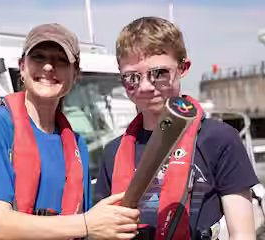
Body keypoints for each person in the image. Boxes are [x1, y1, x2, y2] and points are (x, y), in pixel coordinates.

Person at [0, 23, 140, 240]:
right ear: (22, 66)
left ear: (75, 74)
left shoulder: (77, 145)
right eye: (38, 57)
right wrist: (88, 224)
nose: (48, 67)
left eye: (61, 60)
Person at [94, 16, 258, 239]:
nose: (145, 87)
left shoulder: (219, 140)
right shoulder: (112, 153)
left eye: (159, 73)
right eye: (132, 77)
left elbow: (243, 234)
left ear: (183, 68)